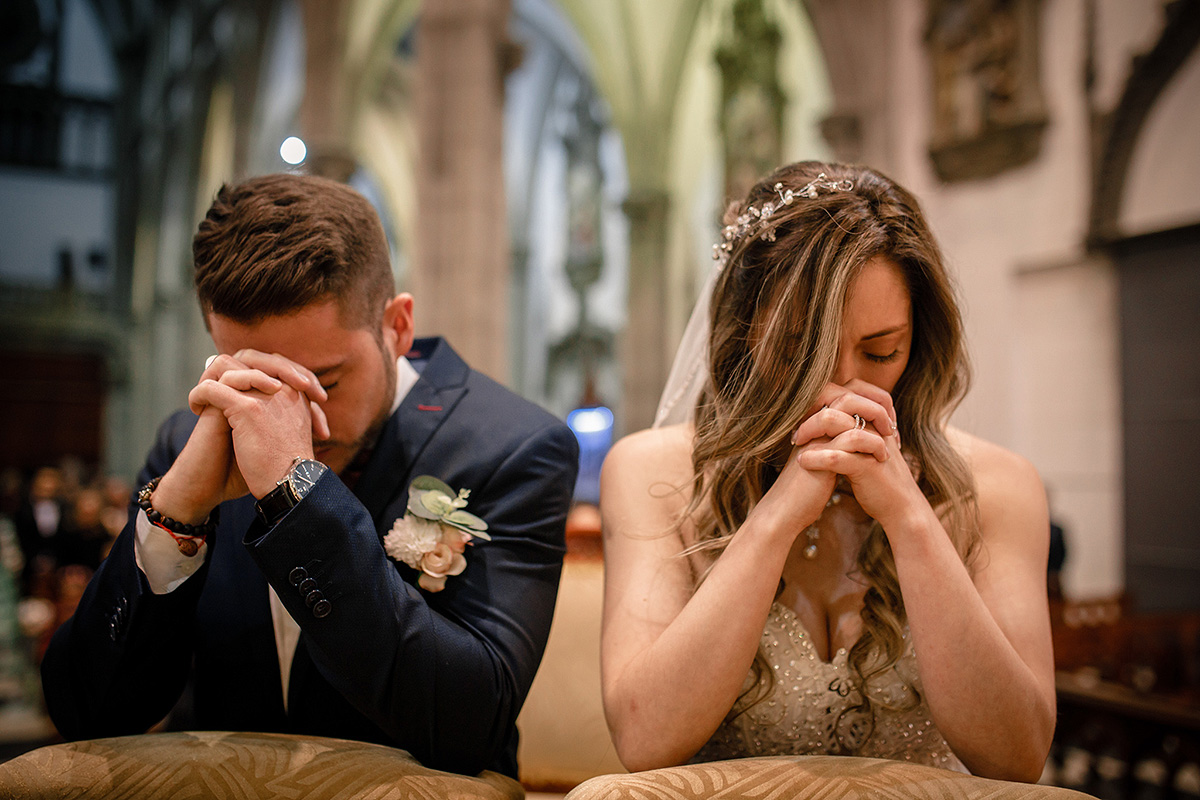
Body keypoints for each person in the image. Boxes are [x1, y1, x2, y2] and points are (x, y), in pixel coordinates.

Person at [41, 173, 579, 779]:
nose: (297, 417)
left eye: (327, 380)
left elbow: (470, 725)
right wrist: (175, 514)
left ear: (397, 327)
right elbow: (88, 714)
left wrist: (299, 498)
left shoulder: (512, 446)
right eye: (259, 381)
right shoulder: (186, 444)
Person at [599, 162, 1055, 781]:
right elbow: (644, 738)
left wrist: (909, 519)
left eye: (880, 352)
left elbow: (1018, 755)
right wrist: (777, 519)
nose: (842, 388)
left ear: (919, 341)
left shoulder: (999, 487)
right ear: (745, 334)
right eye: (797, 350)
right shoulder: (652, 471)